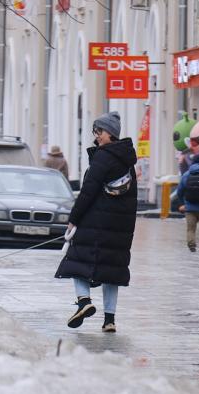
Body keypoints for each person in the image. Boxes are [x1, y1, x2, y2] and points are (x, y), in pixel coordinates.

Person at [55, 111, 138, 333]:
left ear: (109, 133)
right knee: (113, 270)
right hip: (120, 227)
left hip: (96, 222)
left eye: (98, 132)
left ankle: (84, 302)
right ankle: (109, 320)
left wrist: (74, 219)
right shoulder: (127, 160)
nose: (96, 136)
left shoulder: (103, 157)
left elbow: (88, 192)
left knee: (76, 260)